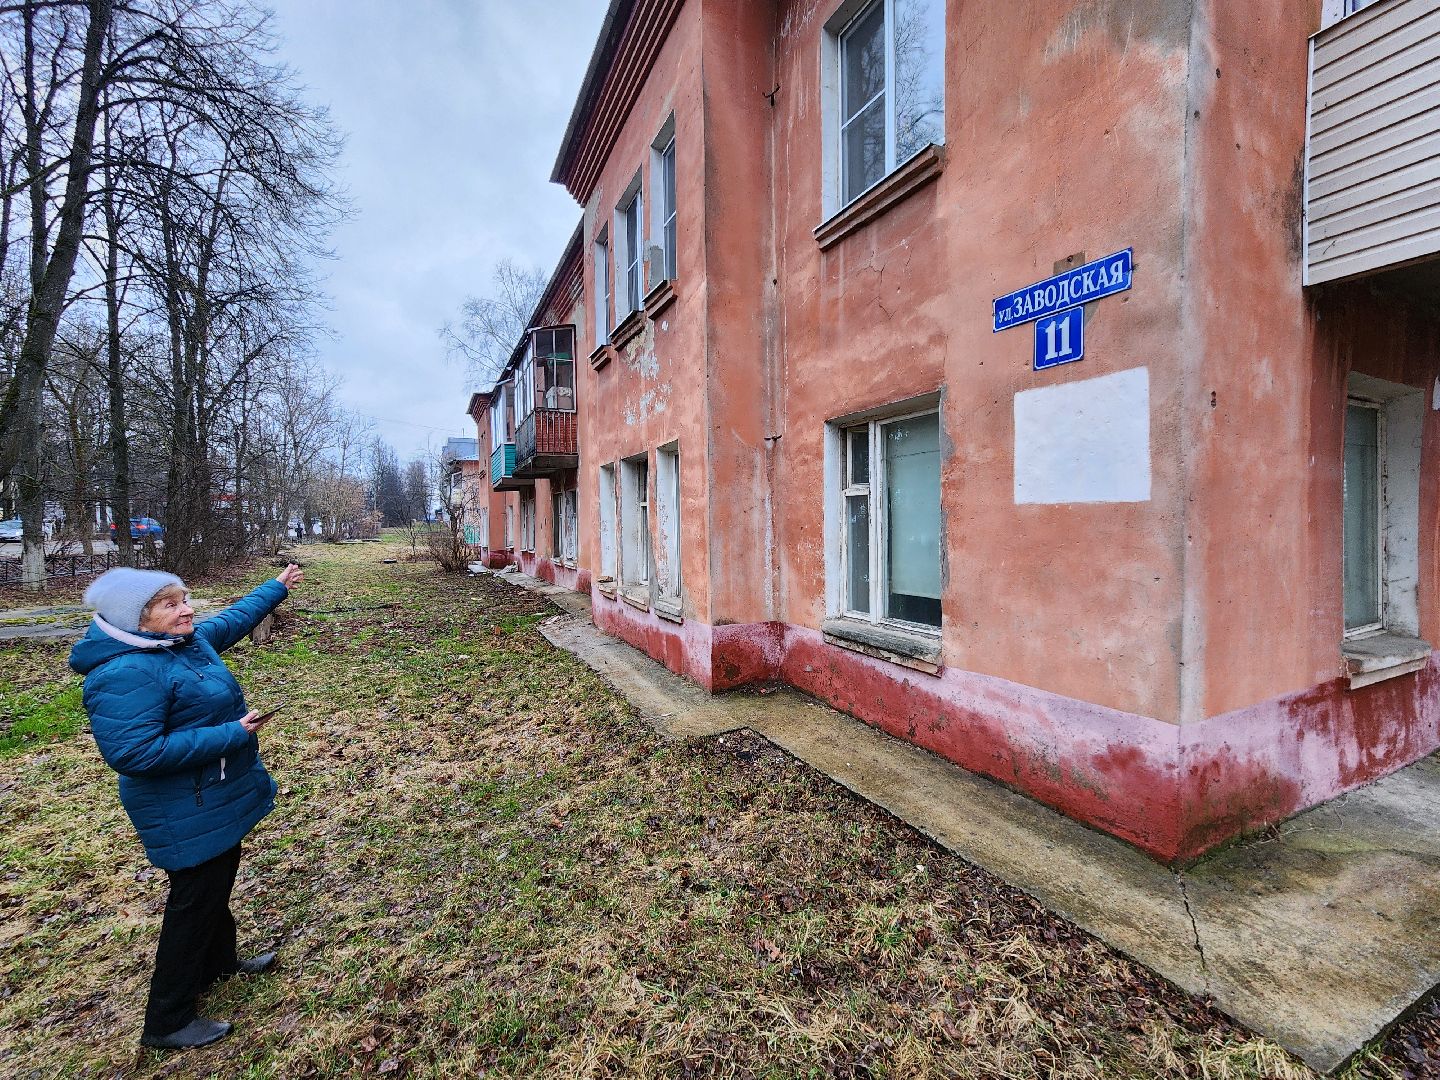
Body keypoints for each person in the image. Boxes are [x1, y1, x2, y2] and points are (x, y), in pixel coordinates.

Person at [68, 563, 305, 1050]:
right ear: (136, 617)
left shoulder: (180, 643)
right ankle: (168, 1019)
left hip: (210, 793)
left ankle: (218, 965)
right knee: (194, 901)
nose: (186, 610)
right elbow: (134, 753)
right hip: (183, 805)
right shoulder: (125, 671)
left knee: (215, 881)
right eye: (170, 604)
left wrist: (275, 588)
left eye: (184, 598)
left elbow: (232, 620)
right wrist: (231, 734)